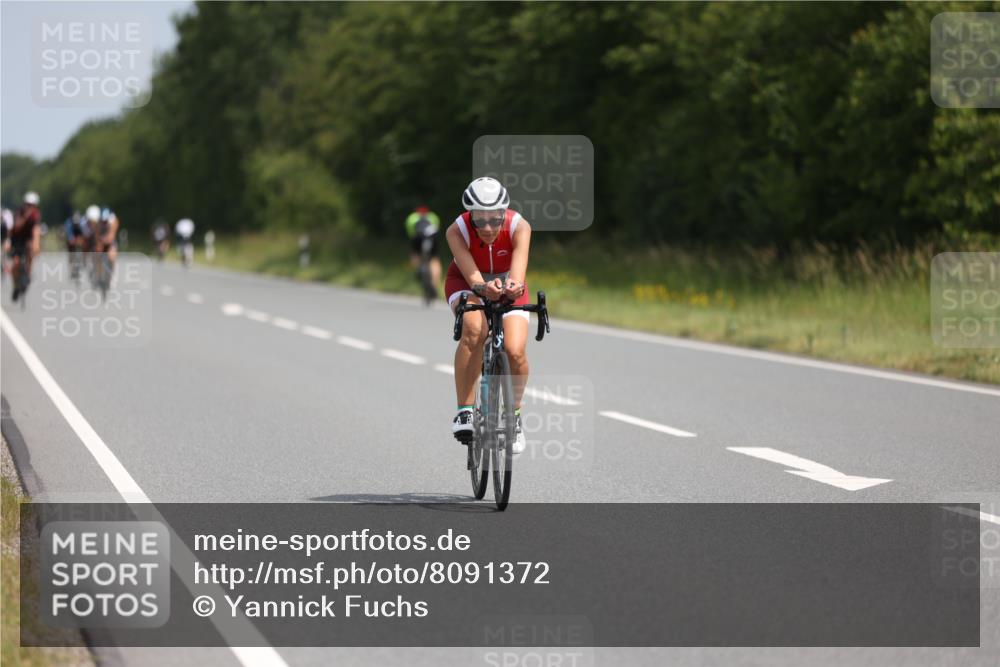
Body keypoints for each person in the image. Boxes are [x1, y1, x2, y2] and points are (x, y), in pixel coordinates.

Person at [445, 177, 532, 453]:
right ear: (469, 216)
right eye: (479, 221)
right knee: (474, 330)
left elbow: (518, 276)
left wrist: (512, 286)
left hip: (507, 283)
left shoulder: (520, 227)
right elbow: (473, 277)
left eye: (495, 220)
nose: (487, 228)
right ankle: (465, 410)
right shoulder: (456, 231)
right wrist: (484, 288)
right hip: (466, 281)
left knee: (514, 349)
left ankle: (513, 418)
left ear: (503, 213)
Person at [9, 191, 42, 302]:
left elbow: (36, 229)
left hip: (28, 239)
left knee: (31, 249)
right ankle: (15, 287)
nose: (30, 207)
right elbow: (17, 227)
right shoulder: (19, 212)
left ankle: (28, 273)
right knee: (15, 264)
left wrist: (36, 244)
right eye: (28, 204)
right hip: (17, 239)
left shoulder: (36, 214)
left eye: (32, 205)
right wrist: (26, 216)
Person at [405, 205, 442, 297]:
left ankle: (418, 268)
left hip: (418, 238)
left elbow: (411, 233)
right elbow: (436, 228)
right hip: (432, 237)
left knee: (415, 254)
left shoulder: (411, 218)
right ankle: (434, 285)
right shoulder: (433, 216)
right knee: (434, 259)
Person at [64, 210, 85, 281]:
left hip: (79, 234)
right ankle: (71, 266)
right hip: (72, 235)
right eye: (75, 223)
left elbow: (84, 233)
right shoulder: (68, 223)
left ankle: (82, 260)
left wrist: (81, 241)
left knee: (82, 245)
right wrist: (71, 239)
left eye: (77, 223)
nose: (76, 224)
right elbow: (69, 234)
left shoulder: (82, 222)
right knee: (71, 251)